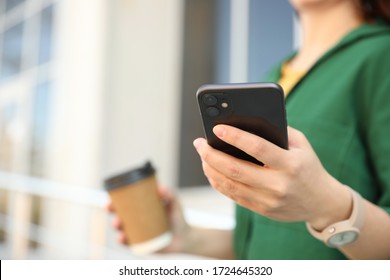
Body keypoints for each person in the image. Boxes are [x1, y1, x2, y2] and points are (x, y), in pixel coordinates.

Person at [107, 0, 390, 259]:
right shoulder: (275, 75)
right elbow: (268, 241)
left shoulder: (381, 56)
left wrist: (326, 206)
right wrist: (188, 237)